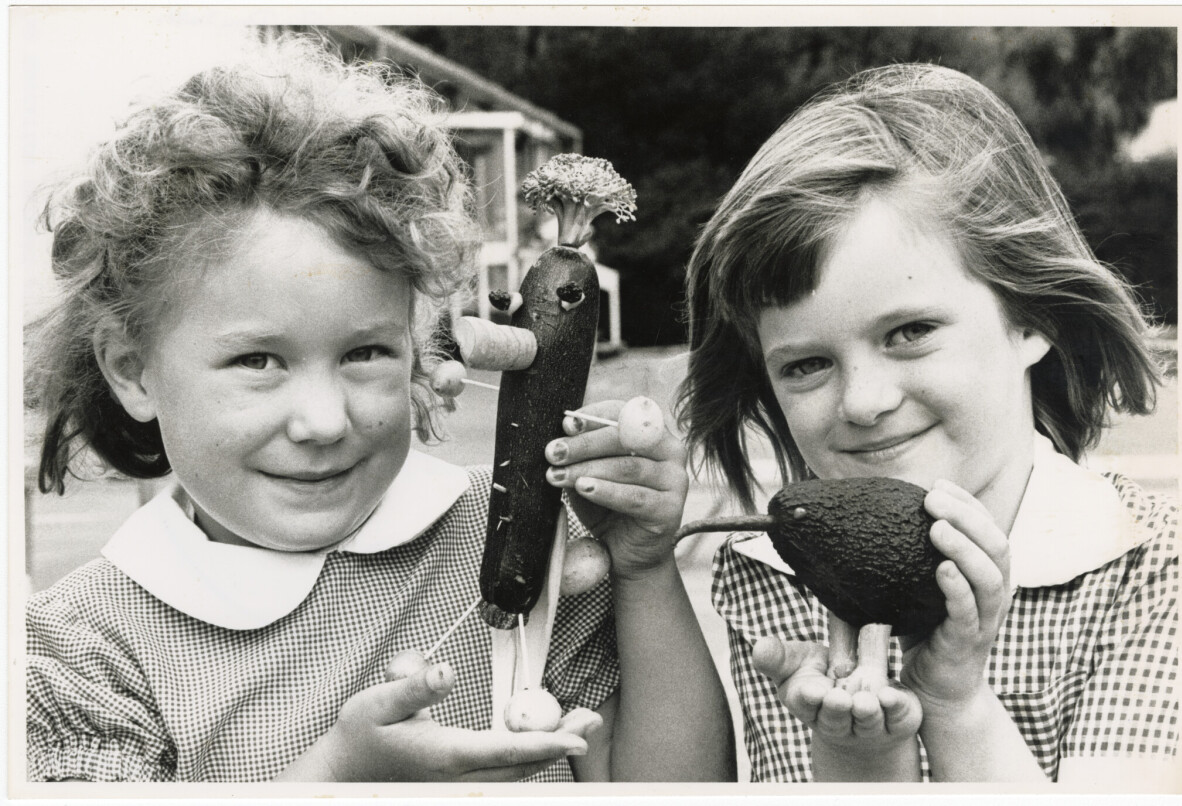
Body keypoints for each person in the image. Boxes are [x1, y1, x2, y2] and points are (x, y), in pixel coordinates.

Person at [24, 35, 732, 783]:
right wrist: (341, 779)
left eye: (364, 353)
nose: (325, 421)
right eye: (257, 361)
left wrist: (644, 567)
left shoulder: (515, 537)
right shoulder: (83, 647)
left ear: (416, 346)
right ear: (131, 371)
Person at [677, 63, 1179, 786]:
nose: (862, 402)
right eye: (807, 364)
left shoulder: (1154, 566)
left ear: (1031, 317)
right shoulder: (774, 574)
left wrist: (954, 703)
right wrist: (860, 751)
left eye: (910, 332)